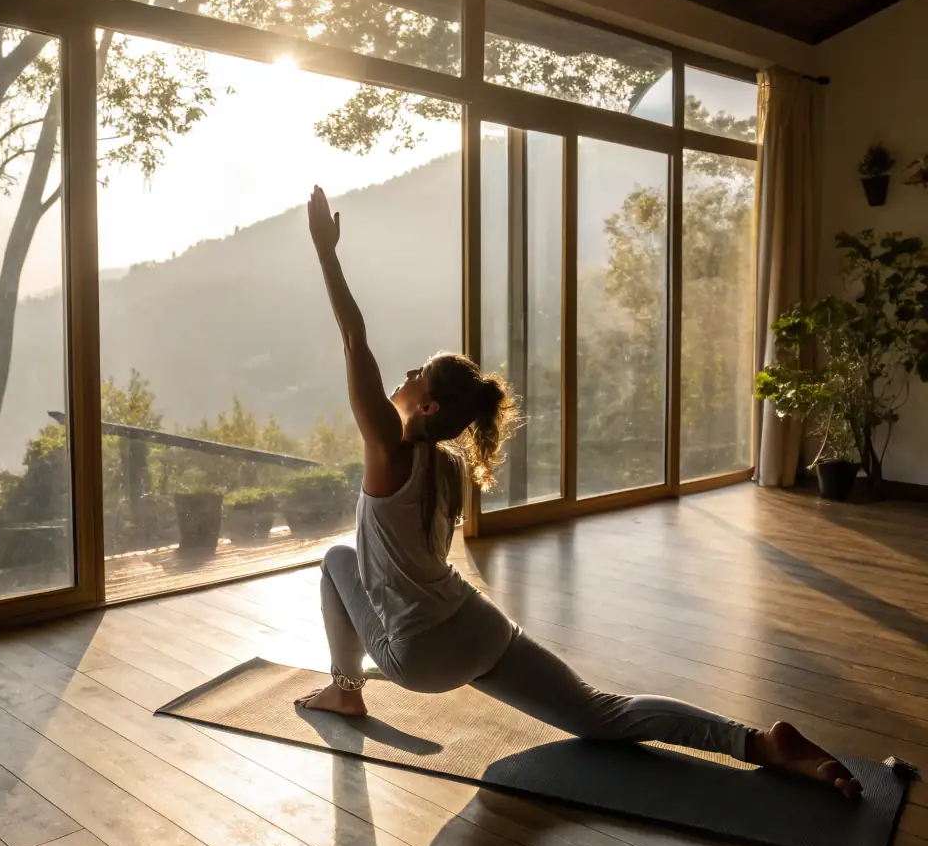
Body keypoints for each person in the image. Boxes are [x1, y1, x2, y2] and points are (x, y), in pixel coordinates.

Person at [298, 186, 862, 800]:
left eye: (417, 375)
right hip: (480, 628)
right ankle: (756, 742)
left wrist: (326, 252)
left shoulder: (389, 452)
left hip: (422, 658)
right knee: (602, 713)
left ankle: (344, 692)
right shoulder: (447, 468)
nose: (404, 377)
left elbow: (355, 339)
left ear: (427, 404)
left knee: (334, 559)